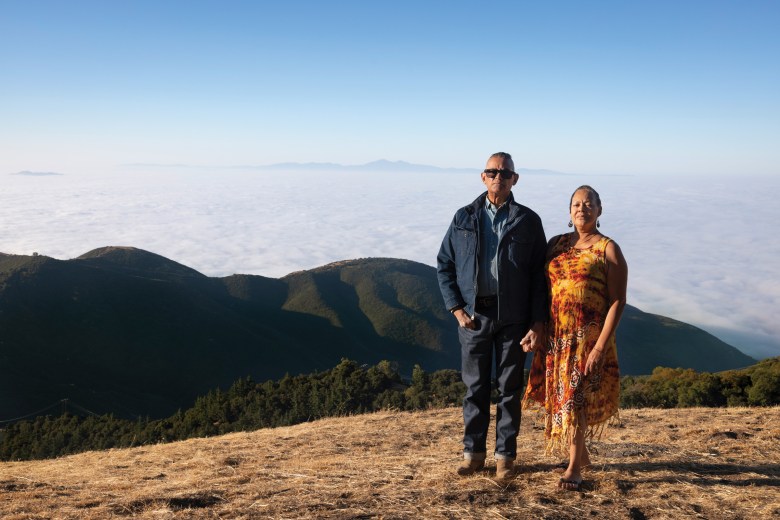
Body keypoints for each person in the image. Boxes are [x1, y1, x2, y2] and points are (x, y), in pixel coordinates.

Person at [437, 152, 548, 480]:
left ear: (515, 179)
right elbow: (445, 264)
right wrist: (456, 309)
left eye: (505, 172)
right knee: (475, 388)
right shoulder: (463, 217)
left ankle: (505, 457)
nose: (498, 176)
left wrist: (537, 322)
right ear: (482, 177)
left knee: (510, 389)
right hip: (473, 317)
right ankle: (473, 455)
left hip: (514, 319)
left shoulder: (528, 220)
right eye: (492, 171)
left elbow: (540, 278)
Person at [522, 185, 628, 491]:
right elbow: (540, 287)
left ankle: (574, 470)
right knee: (563, 399)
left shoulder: (608, 249)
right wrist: (537, 326)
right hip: (557, 337)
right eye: (576, 204)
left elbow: (618, 301)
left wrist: (600, 346)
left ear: (599, 209)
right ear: (569, 212)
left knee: (575, 399)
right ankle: (580, 457)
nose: (582, 208)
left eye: (589, 204)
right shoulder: (556, 245)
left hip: (587, 341)